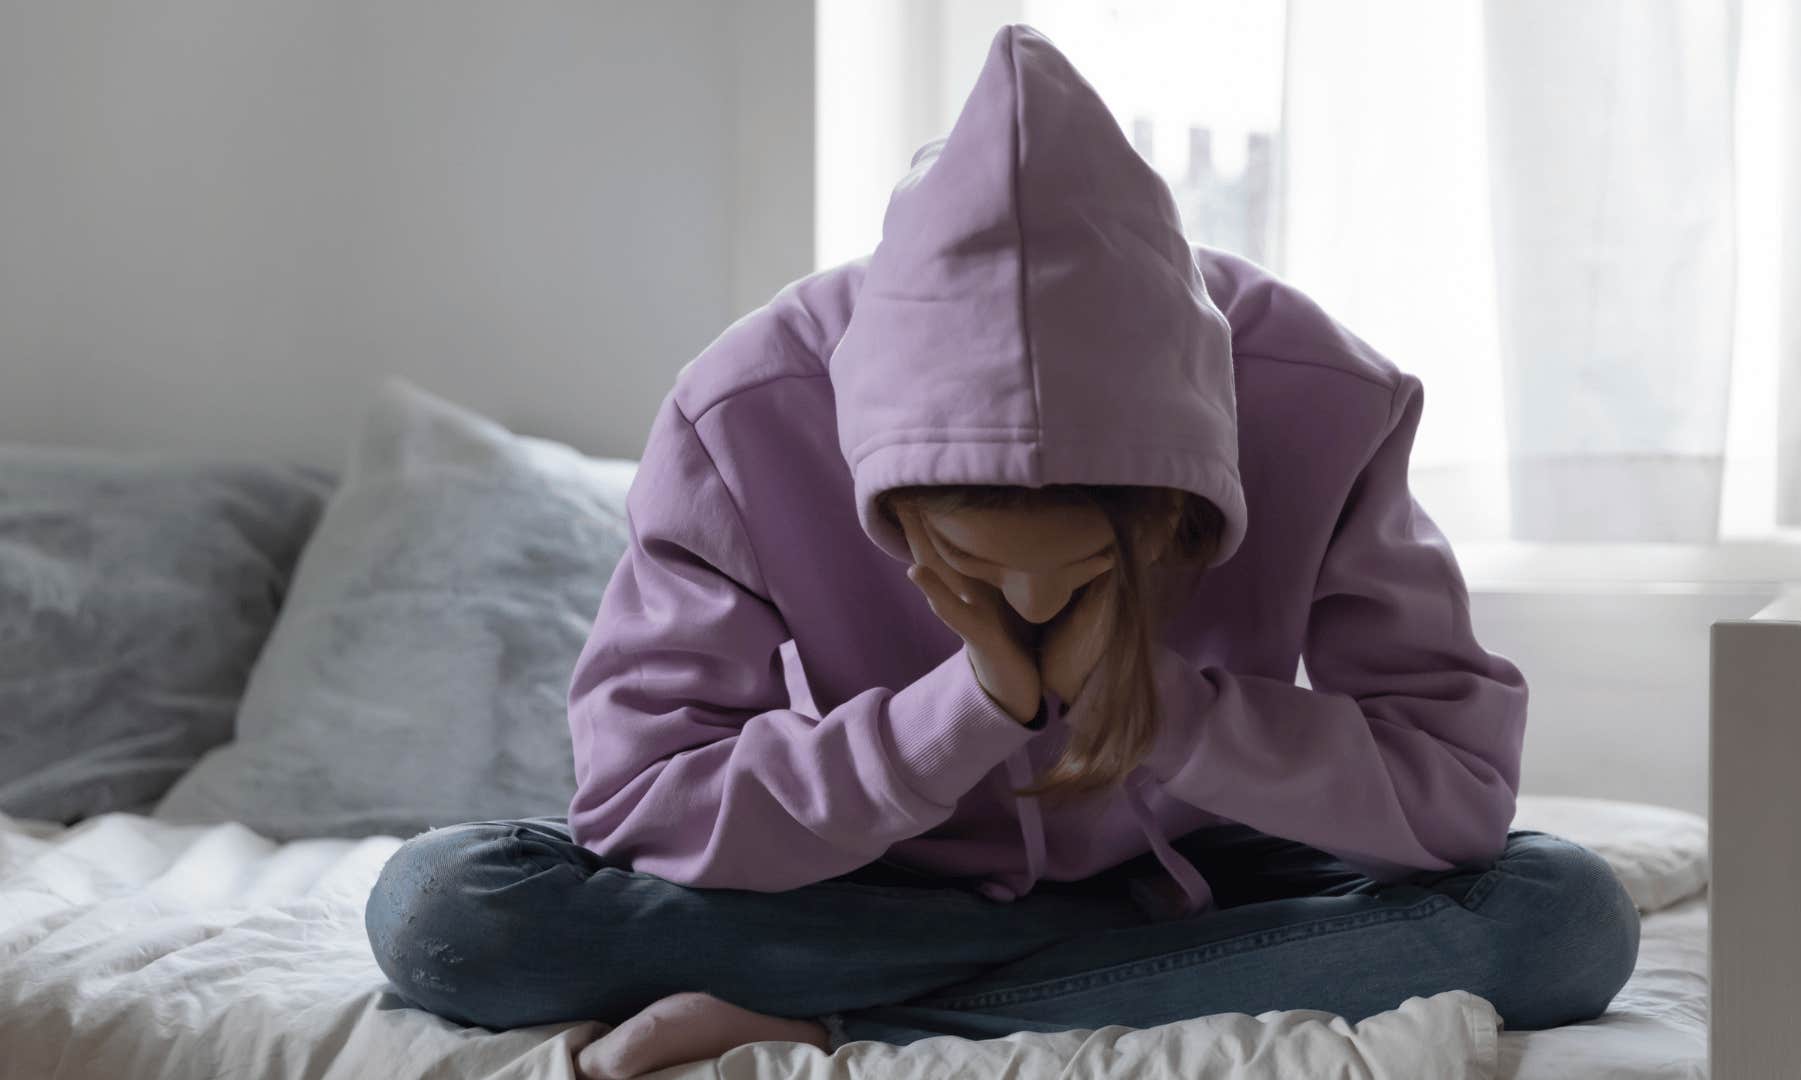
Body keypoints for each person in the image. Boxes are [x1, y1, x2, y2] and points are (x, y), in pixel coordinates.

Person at [363, 22, 1639, 1080]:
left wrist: (1173, 719)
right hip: (864, 886)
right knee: (447, 912)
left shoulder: (1324, 393)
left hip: (1213, 869)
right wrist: (960, 711)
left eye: (1087, 574)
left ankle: (856, 1031)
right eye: (971, 576)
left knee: (1563, 918)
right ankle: (1092, 990)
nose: (1028, 601)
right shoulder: (745, 410)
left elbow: (1456, 792)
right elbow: (644, 802)